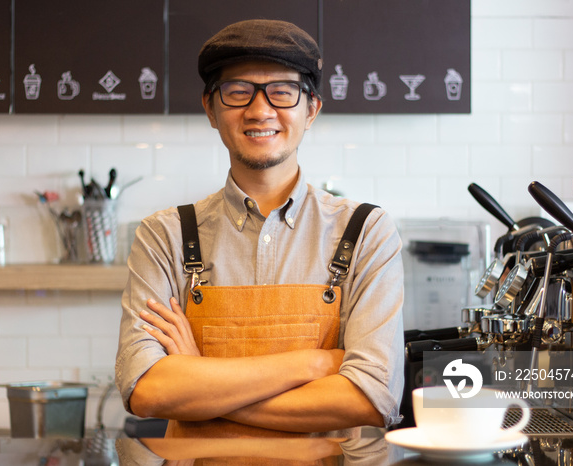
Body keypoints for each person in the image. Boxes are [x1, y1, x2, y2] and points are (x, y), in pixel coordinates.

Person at [116, 19, 404, 437]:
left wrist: (198, 381)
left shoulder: (365, 232)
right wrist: (314, 363)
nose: (260, 110)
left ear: (312, 109)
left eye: (282, 92)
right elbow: (147, 390)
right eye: (237, 92)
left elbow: (369, 397)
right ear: (210, 109)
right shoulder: (165, 236)